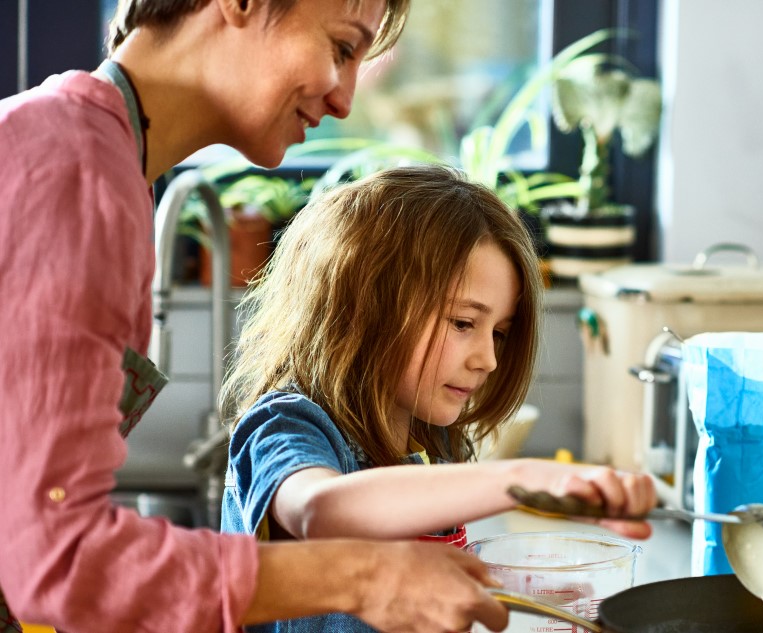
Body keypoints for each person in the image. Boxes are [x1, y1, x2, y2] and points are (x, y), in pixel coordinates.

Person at [0, 1, 518, 631]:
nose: (345, 100)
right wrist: (368, 576)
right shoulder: (74, 176)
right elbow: (60, 559)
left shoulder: (103, 166)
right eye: (341, 47)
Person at [219, 165, 657, 632]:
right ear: (367, 306)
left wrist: (534, 595)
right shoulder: (288, 425)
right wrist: (526, 476)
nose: (488, 359)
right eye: (464, 323)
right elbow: (320, 510)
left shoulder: (433, 439)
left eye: (500, 333)